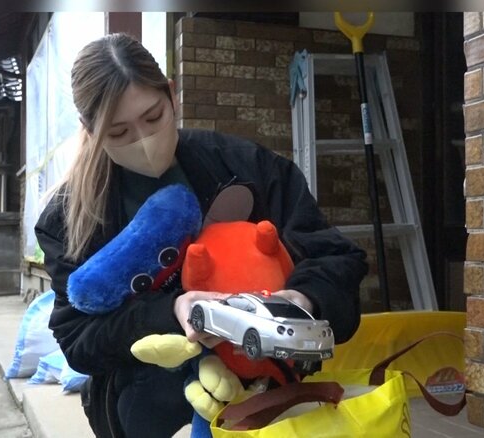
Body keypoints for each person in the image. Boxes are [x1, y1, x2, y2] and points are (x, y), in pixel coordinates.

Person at [34, 33, 368, 438]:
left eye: (153, 117)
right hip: (149, 404)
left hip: (268, 387)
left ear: (172, 94)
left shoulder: (243, 166)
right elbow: (78, 338)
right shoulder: (69, 217)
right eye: (118, 133)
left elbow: (336, 257)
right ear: (90, 130)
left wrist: (301, 299)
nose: (143, 140)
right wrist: (172, 312)